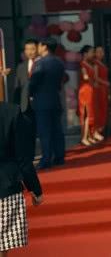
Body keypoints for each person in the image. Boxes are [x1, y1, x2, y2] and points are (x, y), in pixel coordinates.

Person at [0, 102, 43, 256]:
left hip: (6, 185)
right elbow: (23, 158)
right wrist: (35, 189)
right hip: (6, 185)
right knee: (2, 245)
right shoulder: (11, 111)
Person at [29, 38, 66, 169]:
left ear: (44, 46)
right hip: (55, 99)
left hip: (42, 101)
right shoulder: (59, 62)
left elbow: (34, 82)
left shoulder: (41, 63)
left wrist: (30, 94)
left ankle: (46, 159)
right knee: (57, 130)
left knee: (44, 131)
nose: (38, 48)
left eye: (39, 45)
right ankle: (59, 157)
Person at [12, 39, 39, 117]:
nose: (29, 52)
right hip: (24, 106)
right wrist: (16, 107)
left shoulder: (43, 64)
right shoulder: (21, 66)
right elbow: (17, 88)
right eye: (27, 49)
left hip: (40, 105)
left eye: (32, 49)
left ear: (38, 49)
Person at [78, 45, 97, 147]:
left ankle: (89, 136)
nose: (93, 54)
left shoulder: (89, 64)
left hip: (89, 90)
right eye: (91, 52)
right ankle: (84, 137)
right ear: (85, 54)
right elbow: (85, 76)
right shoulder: (82, 64)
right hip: (85, 91)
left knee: (90, 114)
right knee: (86, 114)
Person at [94, 45, 109, 142]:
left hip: (104, 89)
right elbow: (96, 77)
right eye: (98, 52)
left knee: (104, 108)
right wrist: (105, 82)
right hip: (100, 89)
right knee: (100, 109)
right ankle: (97, 131)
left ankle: (101, 131)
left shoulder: (101, 63)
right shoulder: (95, 63)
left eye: (102, 52)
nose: (101, 54)